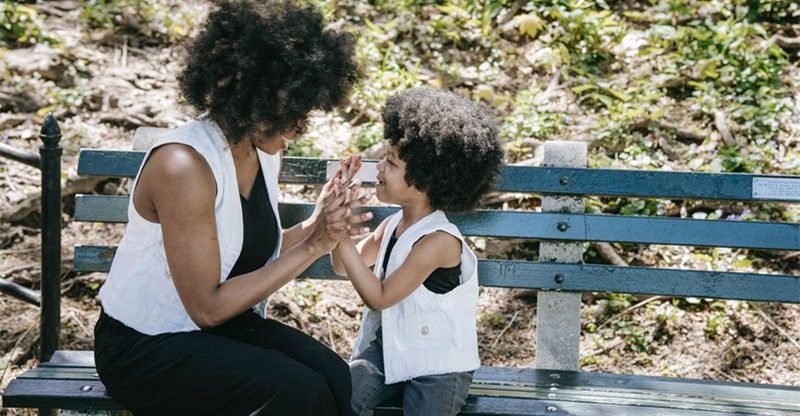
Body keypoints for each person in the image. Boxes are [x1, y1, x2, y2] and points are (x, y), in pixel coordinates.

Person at [92, 1, 366, 415]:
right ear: (255, 97)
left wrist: (318, 224)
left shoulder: (262, 152)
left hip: (215, 330)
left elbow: (246, 255)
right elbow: (208, 308)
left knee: (334, 375)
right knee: (297, 391)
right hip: (144, 344)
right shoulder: (182, 166)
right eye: (295, 111)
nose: (301, 128)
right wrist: (315, 244)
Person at [331, 87, 505, 416]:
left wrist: (340, 236)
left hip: (439, 366)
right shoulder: (391, 225)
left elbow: (380, 297)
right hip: (390, 351)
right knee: (341, 396)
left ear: (424, 181)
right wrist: (340, 218)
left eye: (390, 163)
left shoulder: (438, 241)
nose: (378, 168)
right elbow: (343, 265)